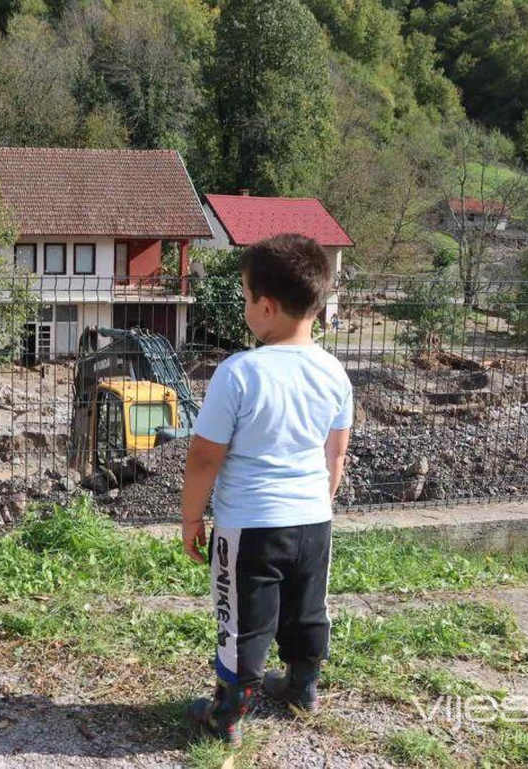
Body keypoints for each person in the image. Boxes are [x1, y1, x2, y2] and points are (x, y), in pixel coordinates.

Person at [182, 233, 352, 747]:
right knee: (306, 609)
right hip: (313, 522)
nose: (243, 307)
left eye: (244, 297)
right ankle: (303, 687)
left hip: (250, 525)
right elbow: (335, 454)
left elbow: (205, 457)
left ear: (267, 306)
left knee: (245, 619)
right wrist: (318, 505)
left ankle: (228, 713)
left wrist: (192, 519)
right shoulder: (334, 371)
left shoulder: (239, 373)